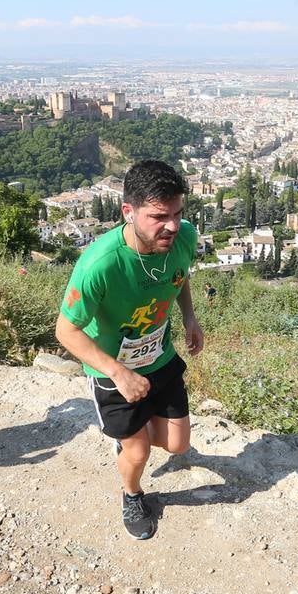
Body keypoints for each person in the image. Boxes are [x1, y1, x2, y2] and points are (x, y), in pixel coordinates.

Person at [55, 160, 203, 540]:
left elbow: (180, 276)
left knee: (178, 445)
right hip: (112, 374)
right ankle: (132, 493)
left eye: (177, 213)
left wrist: (189, 318)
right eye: (158, 216)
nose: (171, 225)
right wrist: (119, 373)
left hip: (161, 359)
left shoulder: (183, 237)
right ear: (128, 211)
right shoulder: (99, 265)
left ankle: (131, 439)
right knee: (138, 453)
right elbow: (66, 331)